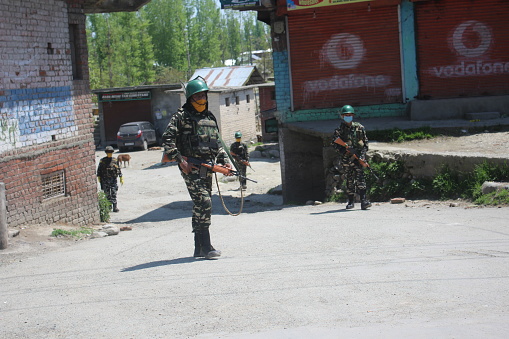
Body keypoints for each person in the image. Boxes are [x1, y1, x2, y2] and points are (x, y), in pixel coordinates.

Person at [161, 77, 233, 259]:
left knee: (201, 205)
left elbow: (216, 143)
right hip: (190, 166)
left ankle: (198, 247)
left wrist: (224, 161)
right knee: (204, 202)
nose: (202, 99)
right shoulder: (181, 116)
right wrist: (181, 161)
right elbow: (167, 139)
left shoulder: (209, 117)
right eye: (197, 96)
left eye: (203, 95)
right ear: (190, 98)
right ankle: (207, 246)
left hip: (208, 167)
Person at [331, 105, 372, 210]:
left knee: (360, 179)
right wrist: (345, 150)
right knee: (349, 179)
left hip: (357, 157)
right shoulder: (339, 130)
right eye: (346, 115)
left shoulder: (359, 128)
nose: (348, 117)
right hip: (346, 159)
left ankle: (364, 201)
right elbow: (335, 144)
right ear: (342, 116)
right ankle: (350, 201)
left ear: (353, 115)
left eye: (350, 115)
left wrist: (361, 157)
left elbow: (365, 144)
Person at [97, 146, 123, 212]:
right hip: (105, 180)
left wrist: (121, 177)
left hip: (113, 180)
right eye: (108, 152)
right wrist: (99, 178)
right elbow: (99, 170)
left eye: (111, 152)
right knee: (107, 194)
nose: (109, 154)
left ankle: (115, 207)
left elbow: (118, 169)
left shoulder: (115, 160)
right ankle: (108, 207)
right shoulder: (102, 161)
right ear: (106, 153)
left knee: (114, 193)